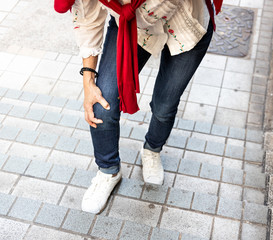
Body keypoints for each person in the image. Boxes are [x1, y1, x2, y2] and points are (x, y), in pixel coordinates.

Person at [55, 0, 223, 214]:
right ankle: (108, 170)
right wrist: (88, 81)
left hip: (187, 23)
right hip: (130, 23)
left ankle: (152, 149)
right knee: (101, 101)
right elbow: (87, 19)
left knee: (165, 105)